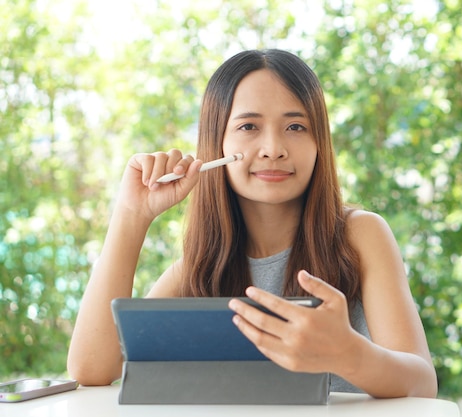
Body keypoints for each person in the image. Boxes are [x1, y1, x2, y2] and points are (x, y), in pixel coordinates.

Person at [66, 49, 438, 398]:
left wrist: (348, 354)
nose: (273, 147)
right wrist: (132, 215)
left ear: (319, 143)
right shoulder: (196, 270)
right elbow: (91, 369)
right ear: (217, 144)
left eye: (295, 127)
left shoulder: (360, 235)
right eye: (248, 127)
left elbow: (422, 383)